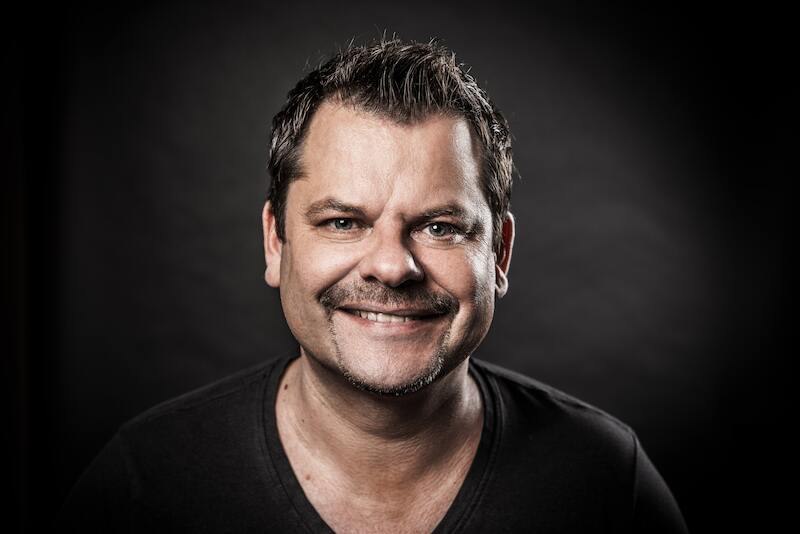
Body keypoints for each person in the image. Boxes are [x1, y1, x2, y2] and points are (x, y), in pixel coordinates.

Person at [58, 38, 689, 533]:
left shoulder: (607, 480)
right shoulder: (145, 481)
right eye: (342, 222)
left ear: (498, 252)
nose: (391, 267)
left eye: (440, 227)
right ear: (276, 241)